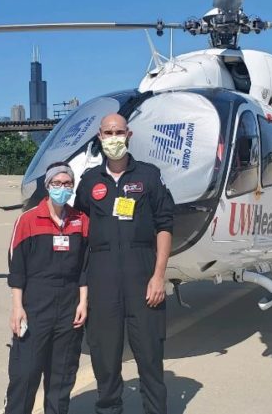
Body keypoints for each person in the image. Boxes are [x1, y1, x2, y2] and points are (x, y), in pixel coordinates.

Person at [75, 113, 174, 414]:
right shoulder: (90, 181)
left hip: (142, 277)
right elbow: (78, 228)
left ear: (129, 135)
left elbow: (165, 226)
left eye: (119, 132)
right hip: (102, 279)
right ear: (100, 137)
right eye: (108, 133)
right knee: (104, 359)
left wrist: (158, 276)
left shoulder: (148, 176)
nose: (114, 137)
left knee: (150, 357)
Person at [4, 162, 89, 414]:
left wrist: (83, 302)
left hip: (69, 303)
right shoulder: (28, 221)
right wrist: (17, 307)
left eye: (67, 184)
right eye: (57, 183)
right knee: (25, 372)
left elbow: (85, 266)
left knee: (62, 376)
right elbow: (16, 268)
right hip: (35, 303)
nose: (62, 188)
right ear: (47, 185)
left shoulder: (81, 221)